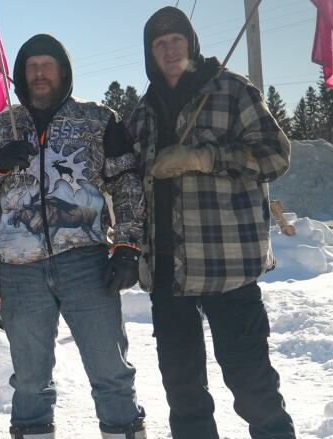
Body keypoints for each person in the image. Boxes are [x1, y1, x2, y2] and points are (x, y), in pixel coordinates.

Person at [0, 34, 147, 439]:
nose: (39, 73)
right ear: (21, 76)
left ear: (63, 71)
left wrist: (129, 245)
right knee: (29, 381)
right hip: (20, 269)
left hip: (86, 262)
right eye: (31, 67)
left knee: (109, 369)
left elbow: (127, 182)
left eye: (47, 65)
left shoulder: (98, 120)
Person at [127, 7, 296, 439]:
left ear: (191, 44)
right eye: (159, 43)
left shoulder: (231, 90)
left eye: (177, 40)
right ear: (150, 52)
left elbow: (276, 156)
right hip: (166, 270)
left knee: (251, 385)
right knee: (183, 393)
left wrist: (206, 158)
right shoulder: (143, 111)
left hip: (227, 267)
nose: (169, 49)